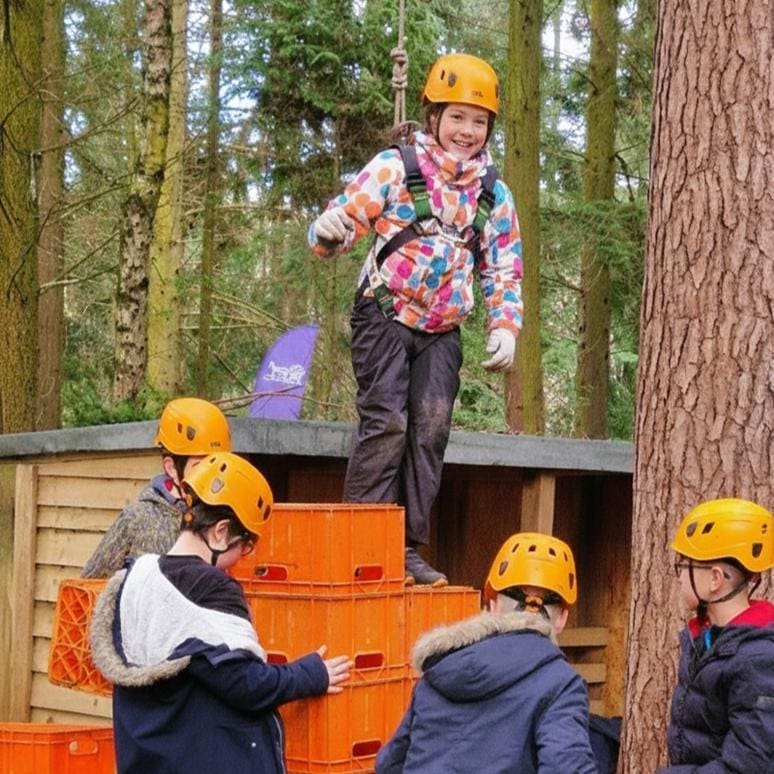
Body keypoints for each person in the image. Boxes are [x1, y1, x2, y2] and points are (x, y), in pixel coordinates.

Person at [309, 53, 523, 586]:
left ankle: (402, 547)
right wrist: (330, 228)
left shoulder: (494, 194)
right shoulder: (395, 167)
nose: (467, 131)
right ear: (433, 117)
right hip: (385, 313)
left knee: (429, 430)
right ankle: (362, 542)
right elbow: (343, 221)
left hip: (442, 331)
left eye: (478, 121)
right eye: (457, 118)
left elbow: (502, 264)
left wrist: (504, 324)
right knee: (387, 423)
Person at [90, 451, 352, 773]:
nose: (244, 555)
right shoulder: (213, 588)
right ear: (220, 531)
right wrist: (311, 674)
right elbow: (248, 686)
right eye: (246, 545)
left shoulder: (138, 576)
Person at [375, 532, 598, 773]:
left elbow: (388, 765)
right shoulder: (561, 683)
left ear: (491, 604)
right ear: (562, 618)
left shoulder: (440, 668)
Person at [658, 497, 774, 773]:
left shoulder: (758, 659)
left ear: (715, 579)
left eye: (685, 566)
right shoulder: (709, 639)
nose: (680, 577)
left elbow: (748, 765)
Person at [81, 397, 231, 578]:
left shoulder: (225, 523)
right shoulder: (138, 519)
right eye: (199, 467)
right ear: (172, 468)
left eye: (216, 466)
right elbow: (87, 586)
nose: (209, 477)